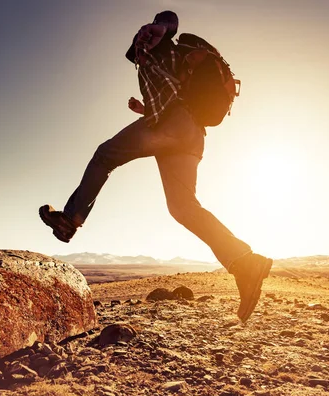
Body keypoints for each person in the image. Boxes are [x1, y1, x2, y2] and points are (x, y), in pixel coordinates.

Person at [39, 11, 272, 322]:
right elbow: (170, 88)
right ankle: (245, 263)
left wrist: (155, 30)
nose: (140, 41)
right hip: (190, 135)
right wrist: (145, 106)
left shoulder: (161, 44)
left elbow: (164, 28)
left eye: (145, 37)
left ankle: (70, 219)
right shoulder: (167, 61)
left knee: (104, 156)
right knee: (183, 207)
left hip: (172, 124)